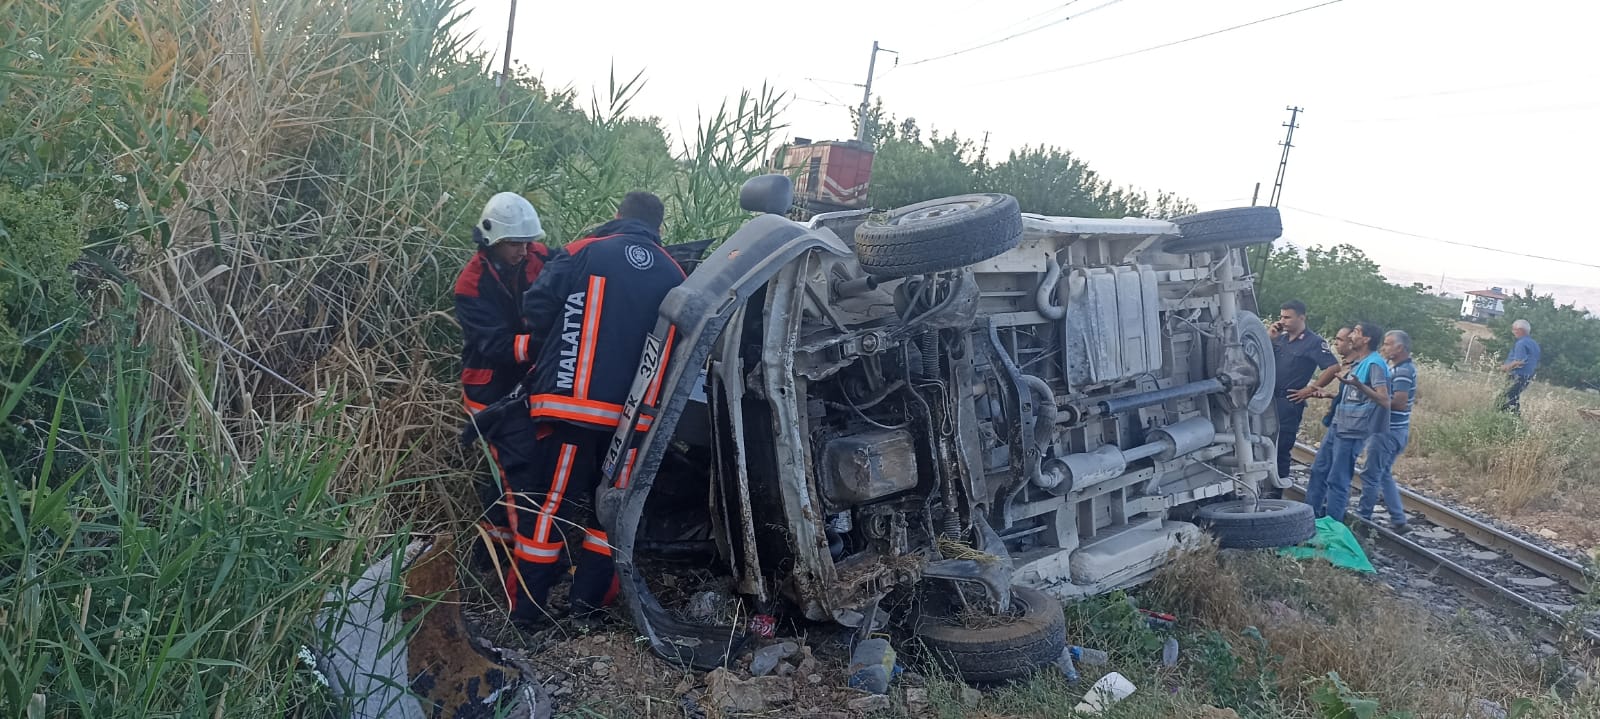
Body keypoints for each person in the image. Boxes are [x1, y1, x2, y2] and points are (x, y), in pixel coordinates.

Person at [502, 191, 686, 627]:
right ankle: (587, 606)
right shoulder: (675, 273)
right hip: (632, 422)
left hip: (572, 409)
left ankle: (527, 611)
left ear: (618, 215)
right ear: (659, 228)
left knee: (549, 507)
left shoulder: (584, 250)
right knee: (610, 514)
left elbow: (537, 310)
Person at [453, 192, 553, 557]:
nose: (523, 252)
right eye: (514, 244)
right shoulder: (471, 285)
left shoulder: (538, 258)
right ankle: (515, 561)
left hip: (527, 384)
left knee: (514, 468)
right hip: (490, 391)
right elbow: (495, 344)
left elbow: (572, 270)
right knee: (518, 468)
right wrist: (544, 344)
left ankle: (491, 553)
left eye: (527, 242)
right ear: (493, 241)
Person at [1303, 322, 1390, 522]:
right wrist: (1330, 395)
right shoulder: (1360, 362)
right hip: (1338, 425)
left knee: (1338, 480)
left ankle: (1333, 528)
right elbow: (1355, 396)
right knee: (1319, 471)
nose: (1352, 336)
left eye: (1357, 332)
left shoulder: (1375, 364)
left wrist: (1360, 385)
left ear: (1366, 339)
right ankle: (1309, 520)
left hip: (1353, 429)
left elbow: (1384, 399)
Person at [1268, 301, 1339, 487]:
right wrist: (1270, 339)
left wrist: (1311, 389)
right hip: (1269, 399)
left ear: (1301, 317)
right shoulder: (1280, 339)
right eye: (1281, 316)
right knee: (1263, 445)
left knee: (1280, 448)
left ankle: (1277, 493)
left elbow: (1333, 367)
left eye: (1287, 317)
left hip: (1289, 400)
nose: (1283, 321)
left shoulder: (1313, 342)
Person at [1356, 330, 1416, 533]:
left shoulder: (1403, 372)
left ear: (1400, 348)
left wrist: (1372, 396)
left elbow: (1399, 403)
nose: (1384, 347)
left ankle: (1362, 518)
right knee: (1383, 474)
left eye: (1388, 344)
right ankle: (1398, 518)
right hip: (1398, 431)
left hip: (1387, 432)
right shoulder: (1399, 368)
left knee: (1371, 475)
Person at [1498, 319, 1540, 415]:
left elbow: (1519, 362)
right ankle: (1514, 421)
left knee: (1503, 400)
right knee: (1512, 397)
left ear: (1520, 330)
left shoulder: (1521, 343)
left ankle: (1514, 420)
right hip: (1527, 376)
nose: (1513, 332)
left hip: (1517, 376)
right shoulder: (1534, 344)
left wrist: (1505, 367)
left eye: (1514, 329)